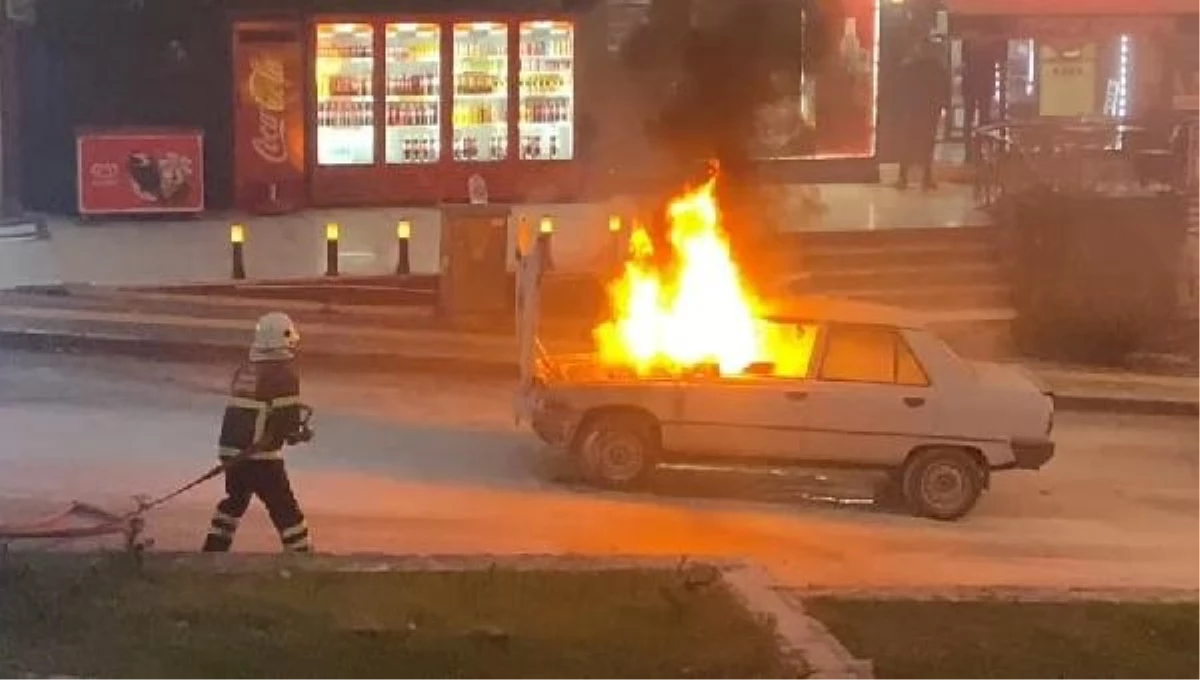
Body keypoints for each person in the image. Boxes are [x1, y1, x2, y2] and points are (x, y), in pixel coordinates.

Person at [202, 312, 314, 553]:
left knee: (234, 502)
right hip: (260, 456)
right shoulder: (284, 376)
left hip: (232, 453)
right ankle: (303, 559)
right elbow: (287, 424)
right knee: (285, 510)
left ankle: (212, 553)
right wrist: (300, 434)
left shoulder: (245, 370)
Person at [895, 38, 951, 191]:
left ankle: (903, 177)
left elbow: (901, 88)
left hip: (914, 109)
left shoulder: (909, 67)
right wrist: (944, 105)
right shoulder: (937, 68)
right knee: (927, 143)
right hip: (929, 110)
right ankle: (925, 177)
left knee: (908, 141)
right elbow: (944, 88)